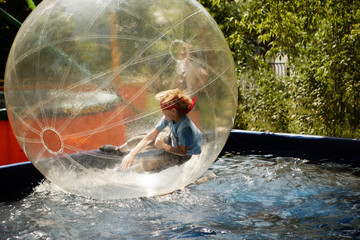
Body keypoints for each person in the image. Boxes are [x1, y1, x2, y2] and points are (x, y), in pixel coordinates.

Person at [100, 88, 202, 172]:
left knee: (142, 166)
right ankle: (119, 151)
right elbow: (150, 136)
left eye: (163, 108)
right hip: (170, 140)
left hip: (179, 155)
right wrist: (132, 153)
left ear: (173, 111)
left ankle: (152, 183)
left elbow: (182, 152)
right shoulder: (169, 117)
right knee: (139, 139)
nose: (161, 111)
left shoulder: (185, 129)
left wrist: (164, 146)